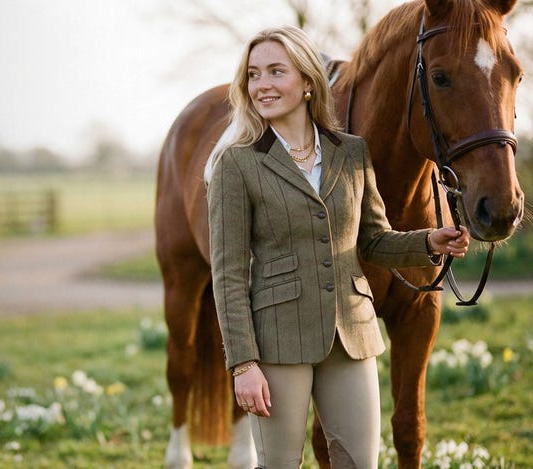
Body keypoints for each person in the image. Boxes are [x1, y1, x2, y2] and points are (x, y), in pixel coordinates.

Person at [206, 26, 470, 467]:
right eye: (253, 75)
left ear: (308, 81)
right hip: (278, 342)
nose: (262, 85)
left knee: (359, 462)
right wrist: (244, 364)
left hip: (352, 335)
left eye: (276, 71)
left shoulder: (351, 152)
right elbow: (228, 274)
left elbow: (373, 240)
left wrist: (429, 241)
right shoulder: (236, 163)